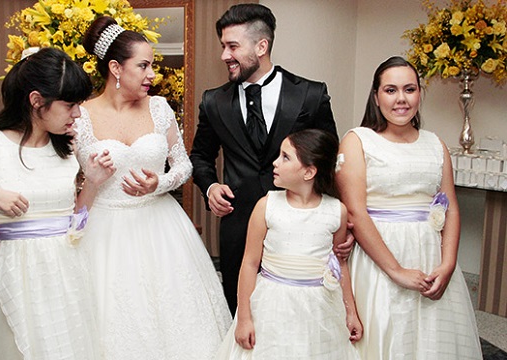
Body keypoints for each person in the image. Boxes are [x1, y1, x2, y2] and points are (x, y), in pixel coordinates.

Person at [74, 15, 232, 358]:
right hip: (104, 230)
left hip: (160, 227)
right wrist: (91, 180)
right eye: (143, 65)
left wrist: (158, 183)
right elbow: (68, 185)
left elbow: (184, 164)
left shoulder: (159, 108)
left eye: (152, 65)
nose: (152, 74)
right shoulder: (79, 117)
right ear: (116, 68)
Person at [0, 47, 114, 360]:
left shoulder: (66, 151)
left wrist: (92, 181)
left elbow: (76, 224)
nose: (78, 114)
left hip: (63, 277)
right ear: (37, 101)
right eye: (70, 105)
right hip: (11, 278)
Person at [190, 3, 340, 312]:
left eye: (233, 46)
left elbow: (329, 159)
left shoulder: (310, 95)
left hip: (302, 229)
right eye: (222, 46)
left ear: (262, 45)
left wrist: (340, 223)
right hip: (239, 228)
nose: (224, 55)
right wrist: (210, 187)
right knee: (240, 313)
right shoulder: (214, 102)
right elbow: (200, 156)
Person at [336, 56, 482, 359]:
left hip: (430, 258)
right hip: (379, 259)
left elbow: (451, 207)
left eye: (409, 89)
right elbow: (355, 212)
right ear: (376, 97)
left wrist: (448, 263)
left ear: (419, 94)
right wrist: (397, 271)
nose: (401, 99)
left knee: (432, 341)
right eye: (390, 90)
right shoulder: (357, 140)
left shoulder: (435, 144)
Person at [216, 129, 362, 359]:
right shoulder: (267, 206)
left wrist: (350, 312)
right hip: (273, 306)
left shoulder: (336, 211)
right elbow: (250, 263)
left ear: (309, 172)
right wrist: (243, 318)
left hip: (319, 308)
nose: (275, 162)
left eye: (285, 157)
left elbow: (339, 265)